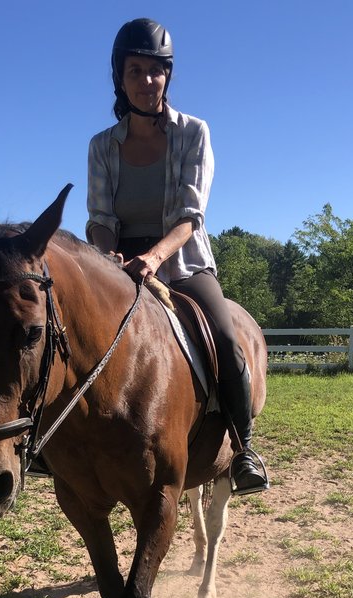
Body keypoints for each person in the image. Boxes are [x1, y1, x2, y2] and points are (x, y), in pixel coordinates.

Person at [86, 17, 269, 496]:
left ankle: (244, 447)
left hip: (183, 260)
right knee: (73, 334)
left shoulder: (194, 133)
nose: (147, 81)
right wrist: (108, 259)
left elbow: (191, 215)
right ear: (119, 79)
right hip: (119, 265)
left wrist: (153, 257)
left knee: (226, 340)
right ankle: (52, 446)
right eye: (135, 71)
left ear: (168, 75)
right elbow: (100, 217)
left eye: (156, 71)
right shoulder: (102, 146)